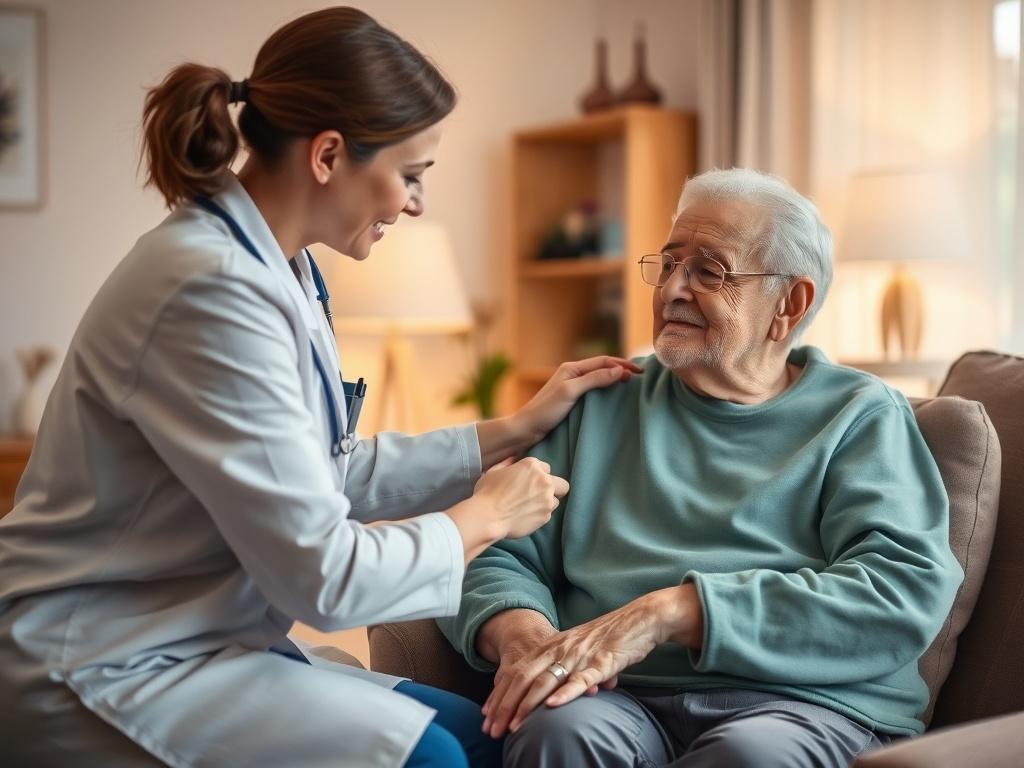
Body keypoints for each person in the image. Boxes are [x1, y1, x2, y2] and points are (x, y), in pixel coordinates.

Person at [0, 7, 641, 767]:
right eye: (410, 174)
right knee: (438, 758)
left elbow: (324, 471)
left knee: (483, 734)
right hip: (105, 657)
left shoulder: (285, 269)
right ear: (329, 154)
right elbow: (325, 580)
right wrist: (484, 517)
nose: (415, 203)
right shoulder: (209, 291)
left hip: (197, 637)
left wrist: (510, 430)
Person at [439, 168, 964, 768]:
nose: (672, 290)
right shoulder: (603, 402)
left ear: (789, 304)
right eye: (667, 265)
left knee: (749, 757)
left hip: (800, 702)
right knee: (558, 734)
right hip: (616, 694)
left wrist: (671, 613)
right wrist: (523, 636)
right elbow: (489, 547)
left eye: (708, 271)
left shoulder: (859, 416)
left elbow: (900, 592)